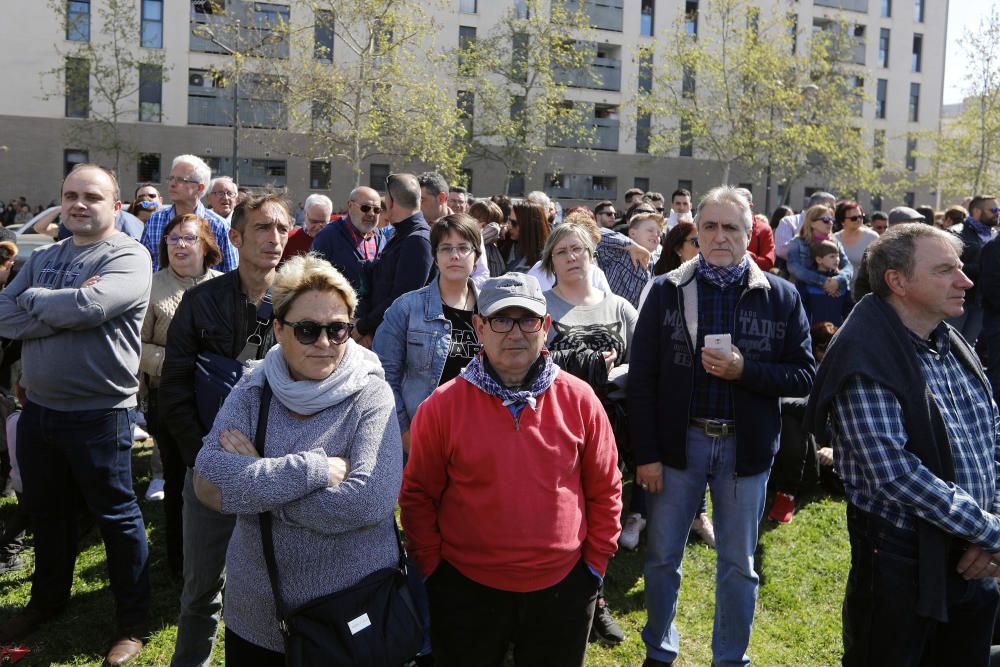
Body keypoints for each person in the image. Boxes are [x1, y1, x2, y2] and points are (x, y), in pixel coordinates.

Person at [629, 186, 814, 667]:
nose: (718, 236)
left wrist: (744, 371)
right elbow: (642, 378)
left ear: (750, 233)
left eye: (730, 227)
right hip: (678, 444)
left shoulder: (780, 296)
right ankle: (659, 651)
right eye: (708, 226)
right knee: (662, 557)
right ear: (696, 232)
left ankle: (730, 658)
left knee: (738, 565)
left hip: (743, 448)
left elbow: (805, 375)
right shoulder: (668, 289)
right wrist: (645, 453)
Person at [399, 273, 622, 667]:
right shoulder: (442, 406)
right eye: (502, 320)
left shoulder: (581, 400)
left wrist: (593, 567)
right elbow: (418, 496)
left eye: (528, 320)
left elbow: (606, 488)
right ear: (479, 327)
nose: (515, 333)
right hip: (465, 590)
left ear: (546, 327)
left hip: (564, 588)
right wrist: (434, 570)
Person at [805, 224, 1000, 666]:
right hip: (901, 569)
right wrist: (990, 532)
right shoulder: (866, 354)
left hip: (976, 561)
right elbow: (894, 473)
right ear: (898, 281)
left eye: (962, 268)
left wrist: (990, 530)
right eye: (946, 270)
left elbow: (992, 436)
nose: (965, 281)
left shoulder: (949, 343)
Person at [193, 253, 403, 663]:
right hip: (259, 614)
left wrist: (257, 482)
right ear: (279, 328)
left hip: (350, 612)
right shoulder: (253, 384)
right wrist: (313, 469)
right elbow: (209, 481)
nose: (324, 343)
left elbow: (368, 502)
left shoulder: (371, 393)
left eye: (338, 330)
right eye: (307, 330)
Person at [0, 164, 153, 666]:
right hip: (39, 412)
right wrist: (60, 310)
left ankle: (132, 621)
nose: (79, 204)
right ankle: (47, 601)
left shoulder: (129, 256)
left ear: (116, 205)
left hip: (99, 415)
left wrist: (39, 304)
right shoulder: (49, 255)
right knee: (47, 515)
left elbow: (90, 307)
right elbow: (3, 311)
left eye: (92, 196)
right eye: (70, 196)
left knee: (117, 520)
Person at [159, 192, 290, 666]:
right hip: (210, 470)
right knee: (201, 590)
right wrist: (201, 458)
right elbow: (172, 388)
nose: (274, 238)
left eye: (281, 228)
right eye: (262, 228)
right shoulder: (200, 302)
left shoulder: (299, 303)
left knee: (282, 587)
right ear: (235, 238)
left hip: (277, 471)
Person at [139, 214, 222, 577]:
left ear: (207, 246)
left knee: (218, 478)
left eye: (188, 238)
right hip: (169, 400)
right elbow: (134, 345)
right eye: (172, 239)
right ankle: (180, 562)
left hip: (218, 401)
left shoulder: (225, 287)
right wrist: (176, 362)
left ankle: (220, 559)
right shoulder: (151, 288)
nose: (179, 245)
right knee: (178, 480)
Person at [373, 214, 481, 456]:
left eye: (463, 248)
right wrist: (403, 432)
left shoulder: (492, 311)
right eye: (446, 248)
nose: (455, 255)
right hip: (420, 438)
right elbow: (383, 375)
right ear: (435, 255)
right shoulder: (407, 308)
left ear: (477, 255)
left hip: (479, 440)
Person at [353, 173, 433, 346]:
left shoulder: (417, 240)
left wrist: (363, 327)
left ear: (390, 202)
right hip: (383, 334)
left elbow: (401, 300)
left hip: (396, 343)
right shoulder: (403, 235)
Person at [140, 155, 238, 273]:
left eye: (181, 180)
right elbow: (143, 265)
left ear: (200, 188)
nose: (172, 184)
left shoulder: (219, 226)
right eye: (171, 178)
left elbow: (232, 274)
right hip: (162, 290)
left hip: (205, 290)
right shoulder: (155, 220)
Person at [309, 185, 385, 295]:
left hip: (378, 311)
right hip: (339, 310)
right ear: (350, 205)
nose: (371, 214)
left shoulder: (382, 238)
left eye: (376, 210)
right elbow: (312, 279)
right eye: (365, 208)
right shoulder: (327, 237)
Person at [946, 194, 998, 345]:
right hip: (958, 299)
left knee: (968, 346)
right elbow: (948, 266)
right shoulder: (955, 233)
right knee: (949, 342)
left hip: (982, 301)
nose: (997, 213)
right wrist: (983, 269)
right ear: (976, 211)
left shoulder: (994, 235)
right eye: (993, 209)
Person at [786, 204, 853, 298]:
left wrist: (837, 280)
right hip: (803, 297)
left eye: (832, 220)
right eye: (826, 219)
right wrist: (823, 281)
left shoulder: (835, 242)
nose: (830, 223)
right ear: (812, 223)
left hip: (832, 296)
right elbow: (794, 268)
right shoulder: (797, 242)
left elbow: (848, 266)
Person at [774, 191, 836, 264]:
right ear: (816, 205)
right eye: (830, 207)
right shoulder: (789, 222)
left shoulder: (828, 224)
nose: (833, 211)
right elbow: (781, 251)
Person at [800, 240, 852, 326]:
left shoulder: (841, 283)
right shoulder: (807, 282)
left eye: (838, 256)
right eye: (832, 256)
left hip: (836, 332)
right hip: (814, 333)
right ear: (819, 259)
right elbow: (803, 309)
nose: (837, 260)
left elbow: (848, 308)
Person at [833, 199, 878, 293]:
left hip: (864, 291)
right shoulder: (834, 239)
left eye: (861, 216)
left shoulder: (872, 237)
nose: (858, 220)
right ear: (842, 220)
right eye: (853, 218)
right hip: (839, 291)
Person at [281, 193, 331, 261]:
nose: (318, 227)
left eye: (323, 222)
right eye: (314, 221)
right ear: (305, 214)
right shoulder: (288, 239)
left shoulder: (336, 240)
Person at [505, 201, 550, 272]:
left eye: (514, 223)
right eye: (509, 220)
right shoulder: (505, 245)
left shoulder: (547, 257)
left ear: (529, 226)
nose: (509, 226)